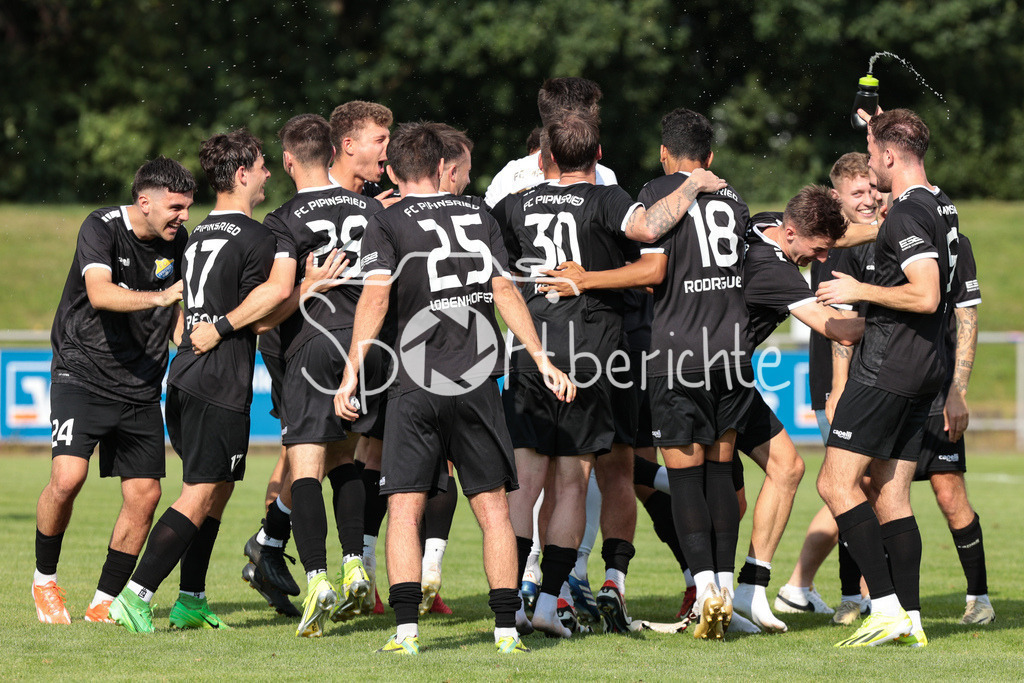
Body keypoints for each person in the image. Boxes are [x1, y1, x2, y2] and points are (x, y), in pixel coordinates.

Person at [334, 121, 575, 655]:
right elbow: (505, 290)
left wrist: (352, 368)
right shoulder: (477, 213)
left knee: (404, 507)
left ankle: (405, 633)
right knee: (492, 508)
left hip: (414, 384)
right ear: (443, 167)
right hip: (476, 379)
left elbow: (374, 299)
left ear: (394, 171)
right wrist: (541, 357)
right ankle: (507, 632)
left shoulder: (386, 219)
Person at [108, 129, 280, 632]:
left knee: (217, 488)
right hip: (218, 381)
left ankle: (192, 598)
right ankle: (134, 596)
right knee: (199, 493)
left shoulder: (200, 232)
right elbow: (262, 316)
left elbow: (188, 315)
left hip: (184, 375)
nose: (269, 173)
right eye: (263, 165)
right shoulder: (256, 236)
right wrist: (306, 286)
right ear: (243, 173)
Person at [816, 108, 960, 648]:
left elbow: (923, 295)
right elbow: (900, 152)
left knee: (834, 483)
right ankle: (913, 619)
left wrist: (862, 293)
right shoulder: (938, 202)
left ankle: (884, 607)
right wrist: (876, 127)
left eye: (875, 153)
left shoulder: (904, 216)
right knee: (890, 494)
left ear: (891, 157)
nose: (871, 165)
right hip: (924, 370)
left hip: (887, 369)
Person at [33, 157, 195, 624]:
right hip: (80, 372)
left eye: (187, 207)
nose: (183, 216)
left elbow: (180, 317)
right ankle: (45, 582)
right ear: (144, 201)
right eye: (176, 207)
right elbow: (101, 293)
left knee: (144, 495)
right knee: (67, 479)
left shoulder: (178, 241)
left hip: (142, 383)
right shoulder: (101, 227)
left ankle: (104, 601)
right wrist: (161, 297)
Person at [246, 113, 386, 637]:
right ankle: (355, 562)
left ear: (286, 161)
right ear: (332, 153)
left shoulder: (282, 220)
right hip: (366, 346)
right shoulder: (369, 207)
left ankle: (318, 579)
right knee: (347, 455)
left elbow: (280, 295)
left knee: (306, 465)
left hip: (315, 344)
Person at [776, 152, 882, 623]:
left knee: (863, 487)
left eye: (873, 189)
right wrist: (838, 389)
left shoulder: (869, 233)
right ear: (837, 198)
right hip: (840, 382)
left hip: (867, 381)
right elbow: (839, 321)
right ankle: (802, 584)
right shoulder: (834, 245)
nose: (869, 199)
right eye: (857, 193)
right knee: (849, 485)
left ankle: (857, 594)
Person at [910, 233, 994, 625]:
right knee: (876, 493)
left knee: (949, 494)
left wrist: (958, 392)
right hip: (883, 389)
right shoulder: (867, 240)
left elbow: (967, 316)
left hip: (937, 393)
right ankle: (878, 601)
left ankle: (979, 598)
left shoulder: (954, 242)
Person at [484, 77, 617, 208]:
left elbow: (489, 225)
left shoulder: (509, 174)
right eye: (593, 115)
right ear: (577, 122)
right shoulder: (603, 177)